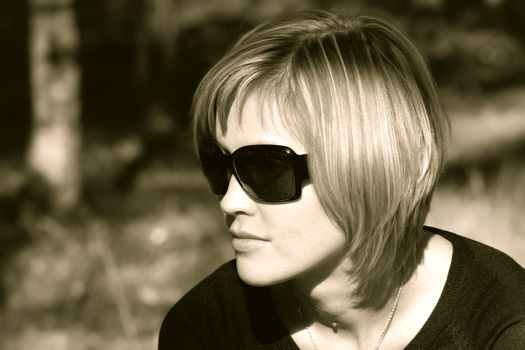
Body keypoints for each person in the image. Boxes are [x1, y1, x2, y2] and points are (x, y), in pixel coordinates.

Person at [159, 10, 525, 349]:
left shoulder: (501, 326)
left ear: (373, 165)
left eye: (266, 169)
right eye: (219, 165)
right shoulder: (206, 328)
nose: (229, 201)